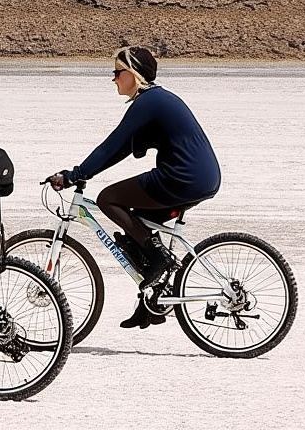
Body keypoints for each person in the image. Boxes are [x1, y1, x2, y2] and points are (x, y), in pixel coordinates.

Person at [48, 45, 221, 329]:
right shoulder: (154, 101)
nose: (113, 79)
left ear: (132, 74)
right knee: (137, 228)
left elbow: (112, 145)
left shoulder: (149, 102)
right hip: (201, 177)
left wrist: (75, 174)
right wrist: (81, 173)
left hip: (183, 177)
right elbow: (122, 149)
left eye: (117, 72)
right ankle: (152, 299)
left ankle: (160, 260)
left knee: (108, 199)